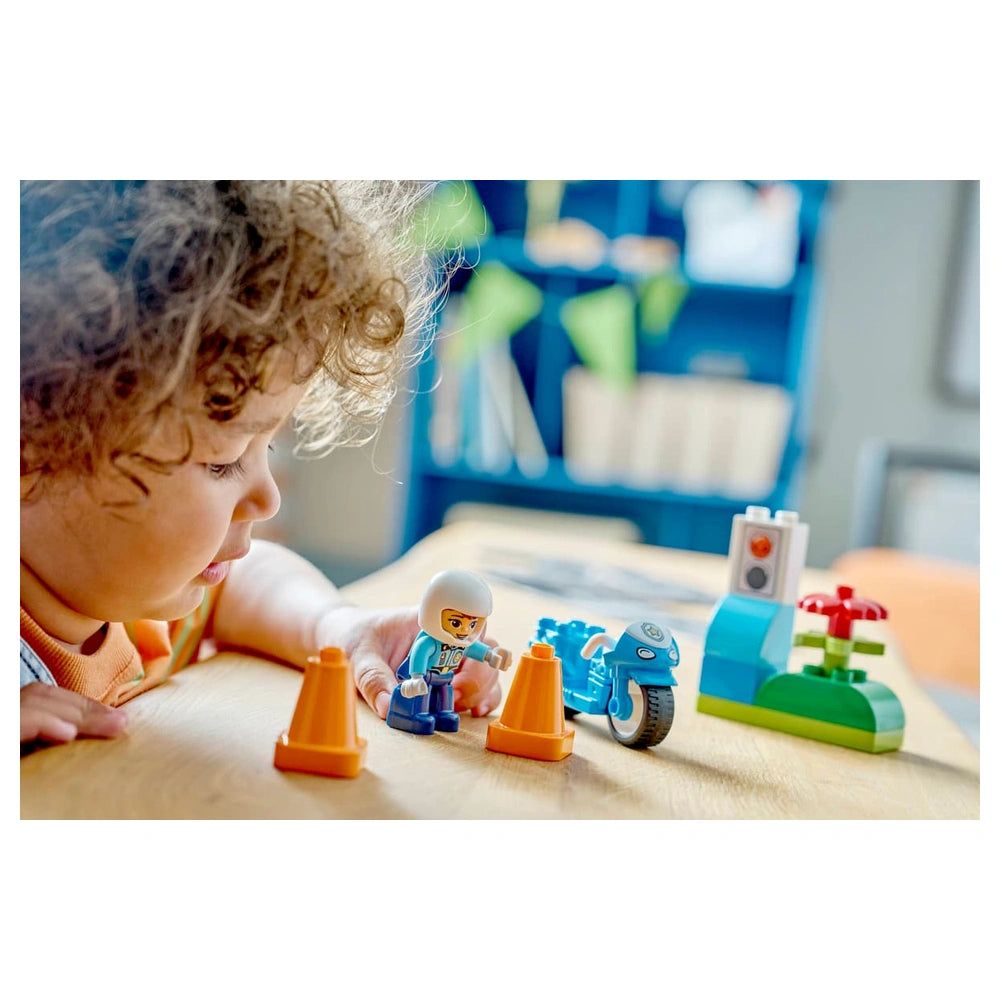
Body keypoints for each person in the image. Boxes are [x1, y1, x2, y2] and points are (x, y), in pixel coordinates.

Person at [20, 179, 503, 749]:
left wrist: (339, 629)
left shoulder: (131, 592)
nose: (267, 497)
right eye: (223, 460)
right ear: (31, 452)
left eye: (266, 446)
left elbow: (241, 585)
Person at [386, 569, 511, 735]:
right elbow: (419, 655)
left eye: (472, 624)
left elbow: (474, 648)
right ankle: (417, 715)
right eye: (456, 623)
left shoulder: (461, 642)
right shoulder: (428, 642)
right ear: (434, 613)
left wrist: (490, 656)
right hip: (426, 678)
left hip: (446, 677)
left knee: (445, 697)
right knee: (422, 695)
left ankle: (444, 714)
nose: (465, 630)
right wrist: (416, 676)